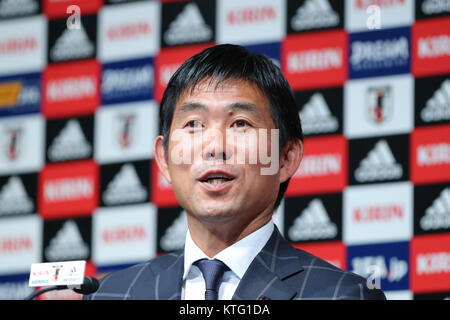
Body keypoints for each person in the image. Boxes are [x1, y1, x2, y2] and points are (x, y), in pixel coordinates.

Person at [84, 44, 386, 300]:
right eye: (194, 124)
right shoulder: (112, 294)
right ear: (164, 159)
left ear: (285, 158)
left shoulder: (342, 295)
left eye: (240, 123)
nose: (215, 146)